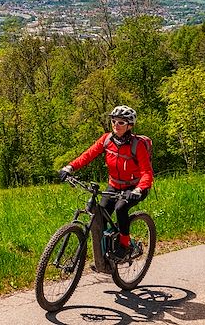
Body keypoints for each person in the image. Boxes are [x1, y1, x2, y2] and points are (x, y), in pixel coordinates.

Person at [58, 105, 153, 261]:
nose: (116, 124)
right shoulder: (107, 139)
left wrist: (138, 190)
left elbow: (146, 172)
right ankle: (105, 257)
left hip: (134, 188)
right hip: (114, 186)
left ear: (130, 125)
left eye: (121, 122)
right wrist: (70, 167)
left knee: (121, 208)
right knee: (100, 216)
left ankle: (125, 245)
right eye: (114, 121)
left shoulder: (138, 145)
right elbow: (88, 155)